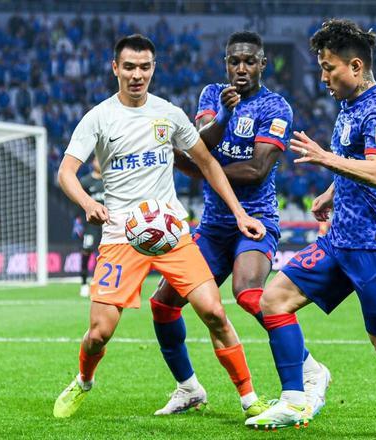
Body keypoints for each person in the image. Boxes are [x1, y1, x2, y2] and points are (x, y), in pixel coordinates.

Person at [246, 20, 376, 430]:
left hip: (375, 245)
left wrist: (325, 158)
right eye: (321, 68)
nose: (323, 78)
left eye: (329, 68)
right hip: (340, 240)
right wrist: (332, 191)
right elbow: (357, 163)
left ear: (356, 66)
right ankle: (294, 399)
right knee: (274, 301)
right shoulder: (350, 106)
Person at [53, 34, 271, 420]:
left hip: (170, 233)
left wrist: (240, 213)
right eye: (129, 67)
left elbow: (207, 163)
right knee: (99, 333)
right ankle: (84, 380)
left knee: (214, 312)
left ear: (153, 68)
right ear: (115, 68)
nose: (137, 75)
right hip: (121, 234)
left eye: (144, 67)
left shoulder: (168, 114)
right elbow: (66, 172)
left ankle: (249, 398)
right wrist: (88, 203)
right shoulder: (98, 118)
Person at [150, 31, 331, 418]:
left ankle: (310, 369)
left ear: (263, 64)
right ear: (226, 64)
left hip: (256, 219)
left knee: (249, 293)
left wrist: (201, 168)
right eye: (235, 61)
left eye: (250, 61)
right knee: (163, 304)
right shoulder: (211, 95)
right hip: (214, 226)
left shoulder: (275, 107)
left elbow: (256, 169)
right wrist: (223, 117)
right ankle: (188, 388)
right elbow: (200, 146)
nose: (242, 68)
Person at [77, 157, 104, 297]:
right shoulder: (85, 182)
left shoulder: (109, 181)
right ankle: (83, 283)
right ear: (93, 163)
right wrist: (79, 222)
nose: (99, 163)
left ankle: (100, 282)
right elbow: (79, 203)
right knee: (86, 250)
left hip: (107, 224)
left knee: (106, 253)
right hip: (91, 225)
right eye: (97, 160)